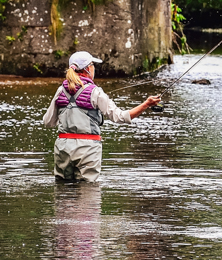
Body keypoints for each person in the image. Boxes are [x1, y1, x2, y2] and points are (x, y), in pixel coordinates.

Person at [42, 51, 162, 183]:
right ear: (88, 69)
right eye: (93, 65)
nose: (94, 68)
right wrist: (146, 104)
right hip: (87, 149)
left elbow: (48, 122)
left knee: (63, 192)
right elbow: (120, 117)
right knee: (88, 194)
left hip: (63, 148)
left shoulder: (60, 90)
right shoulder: (95, 92)